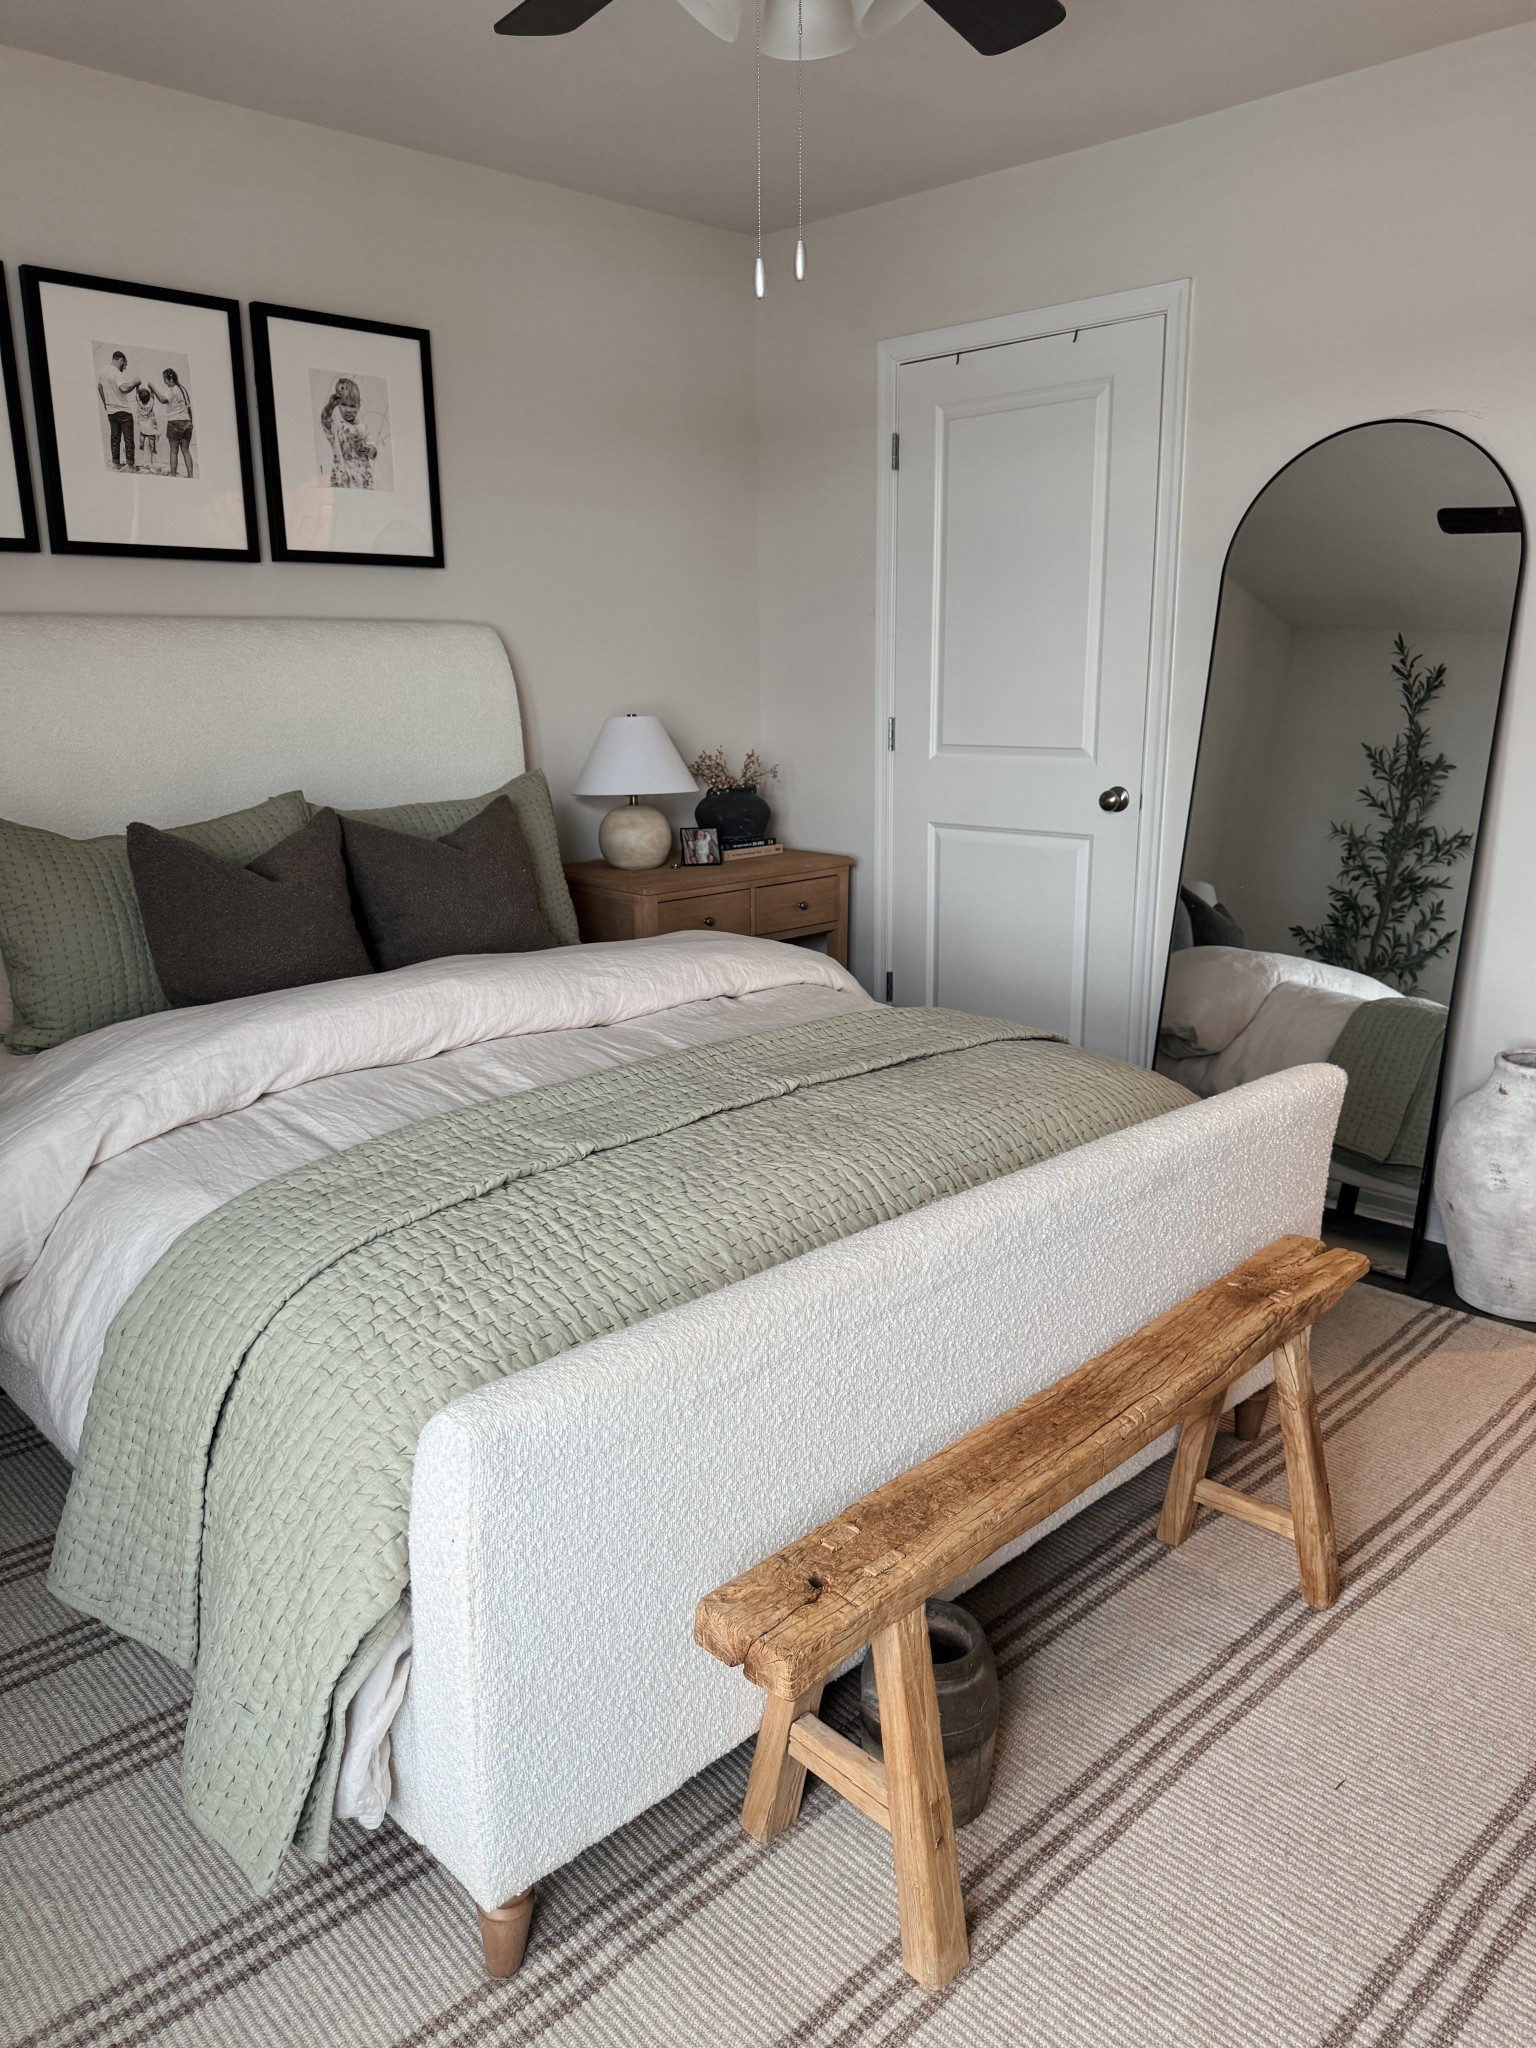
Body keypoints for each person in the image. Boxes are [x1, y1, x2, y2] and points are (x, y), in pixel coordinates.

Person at [319, 375, 377, 488]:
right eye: (344, 405)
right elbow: (325, 422)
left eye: (352, 406)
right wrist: (329, 407)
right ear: (338, 405)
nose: (348, 410)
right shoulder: (336, 425)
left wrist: (369, 449)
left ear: (359, 406)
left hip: (362, 479)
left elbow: (373, 448)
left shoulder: (363, 428)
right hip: (343, 477)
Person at [98, 350, 137, 471]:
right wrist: (136, 381)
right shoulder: (117, 373)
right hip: (124, 410)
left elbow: (100, 387)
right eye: (124, 364)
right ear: (120, 360)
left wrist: (105, 403)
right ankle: (130, 465)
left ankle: (115, 463)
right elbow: (124, 388)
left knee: (115, 438)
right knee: (128, 439)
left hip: (111, 410)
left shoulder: (103, 370)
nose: (124, 368)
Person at [159, 367, 194, 478]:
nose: (164, 382)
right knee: (186, 451)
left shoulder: (172, 390)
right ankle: (191, 476)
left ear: (170, 379)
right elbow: (189, 408)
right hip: (187, 422)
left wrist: (153, 388)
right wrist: (191, 423)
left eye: (165, 379)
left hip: (175, 422)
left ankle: (173, 476)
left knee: (174, 451)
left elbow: (162, 400)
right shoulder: (183, 389)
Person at [134, 384, 159, 472]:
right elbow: (152, 396)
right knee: (152, 441)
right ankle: (153, 452)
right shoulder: (151, 403)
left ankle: (141, 448)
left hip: (142, 426)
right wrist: (151, 388)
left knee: (142, 438)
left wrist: (137, 387)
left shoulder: (139, 403)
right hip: (150, 426)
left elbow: (137, 395)